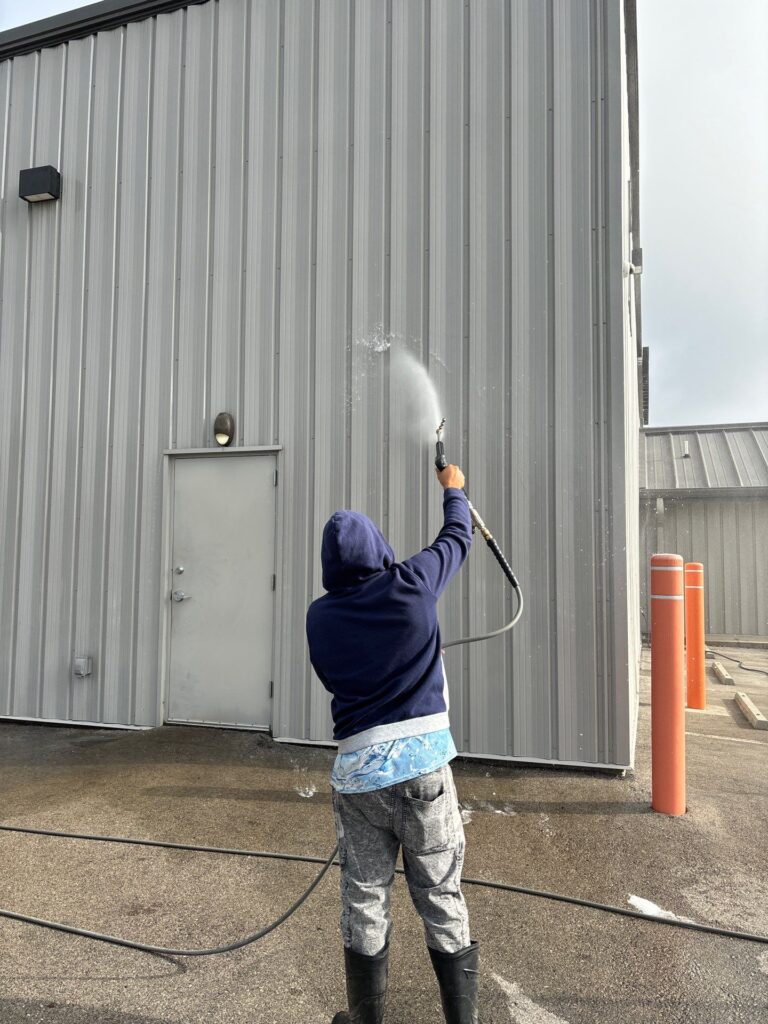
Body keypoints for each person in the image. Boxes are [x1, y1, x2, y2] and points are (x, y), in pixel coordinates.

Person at [306, 464, 478, 1024]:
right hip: (424, 772)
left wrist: (414, 657)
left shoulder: (320, 616)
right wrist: (453, 488)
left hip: (358, 778)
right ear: (378, 547)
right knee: (439, 892)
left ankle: (366, 1020)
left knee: (364, 895)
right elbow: (457, 536)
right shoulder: (412, 584)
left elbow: (342, 677)